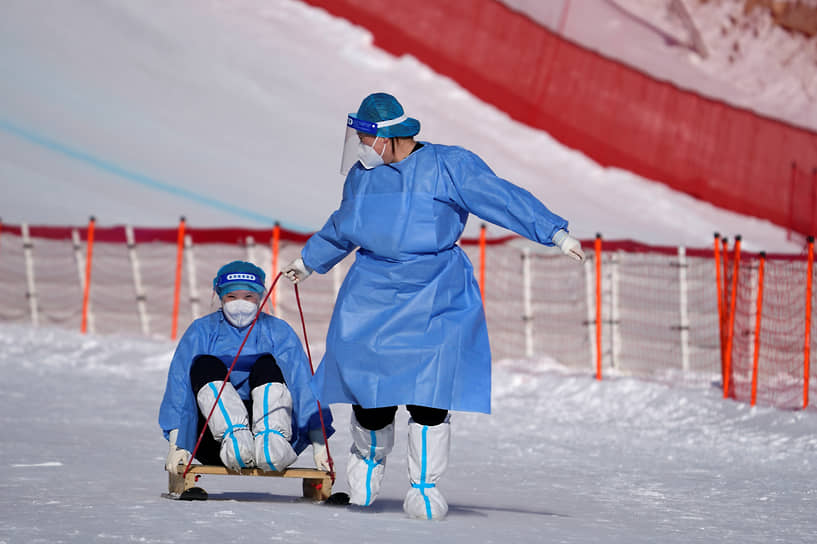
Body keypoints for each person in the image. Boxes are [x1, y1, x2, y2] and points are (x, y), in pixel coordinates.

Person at [282, 92, 584, 520]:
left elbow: (501, 197)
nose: (362, 148)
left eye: (366, 138)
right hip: (371, 293)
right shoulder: (361, 176)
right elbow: (344, 224)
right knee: (370, 392)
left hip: (435, 293)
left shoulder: (449, 166)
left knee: (429, 395)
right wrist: (308, 260)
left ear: (388, 137)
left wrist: (554, 233)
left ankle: (424, 488)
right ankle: (364, 472)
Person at [159, 260, 333, 477]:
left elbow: (303, 385)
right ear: (220, 296)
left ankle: (271, 442)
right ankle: (235, 442)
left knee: (266, 365)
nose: (240, 303)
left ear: (260, 297)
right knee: (205, 365)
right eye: (232, 297)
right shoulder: (201, 331)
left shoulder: (278, 331)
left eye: (248, 297)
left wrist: (320, 445)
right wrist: (178, 445)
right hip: (213, 441)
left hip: (276, 441)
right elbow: (179, 388)